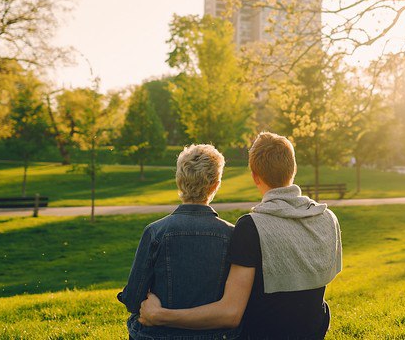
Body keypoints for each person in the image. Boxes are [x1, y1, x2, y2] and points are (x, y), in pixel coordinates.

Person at [140, 132, 342, 340]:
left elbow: (230, 314)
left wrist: (160, 315)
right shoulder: (327, 217)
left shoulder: (252, 226)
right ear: (293, 169)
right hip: (313, 332)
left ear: (255, 176)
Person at [119, 144, 236, 340]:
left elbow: (133, 300)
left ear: (179, 181)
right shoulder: (231, 234)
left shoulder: (156, 232)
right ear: (216, 185)